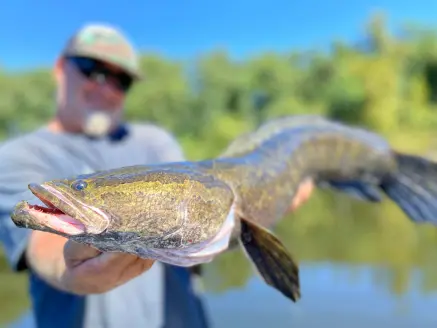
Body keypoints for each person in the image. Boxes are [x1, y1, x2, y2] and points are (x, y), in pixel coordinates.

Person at [0, 23, 314, 328]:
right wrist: (66, 269)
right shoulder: (17, 156)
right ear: (59, 67)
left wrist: (260, 210)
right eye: (91, 68)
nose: (106, 86)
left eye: (121, 79)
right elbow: (39, 247)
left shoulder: (153, 141)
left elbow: (201, 221)